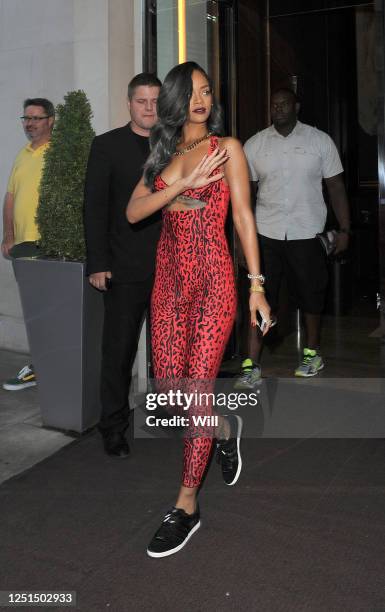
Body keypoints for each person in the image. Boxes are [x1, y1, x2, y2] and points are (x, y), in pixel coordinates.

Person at [127, 62, 272, 558]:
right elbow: (133, 211)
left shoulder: (226, 149)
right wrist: (175, 191)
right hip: (168, 283)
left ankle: (186, 505)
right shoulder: (162, 153)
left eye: (207, 90)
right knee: (172, 389)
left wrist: (255, 285)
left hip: (212, 281)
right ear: (174, 100)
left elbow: (244, 216)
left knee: (195, 393)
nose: (201, 99)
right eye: (190, 93)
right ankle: (227, 428)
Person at [235, 87, 350, 386]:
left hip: (307, 231)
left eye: (285, 104)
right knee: (260, 295)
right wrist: (240, 239)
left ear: (297, 106)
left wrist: (346, 229)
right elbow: (245, 196)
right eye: (274, 105)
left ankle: (312, 353)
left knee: (311, 295)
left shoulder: (319, 140)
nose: (279, 109)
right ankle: (252, 364)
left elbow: (336, 188)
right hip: (266, 233)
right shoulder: (255, 145)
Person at [84, 73, 162, 458]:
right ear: (129, 103)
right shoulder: (107, 146)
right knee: (118, 353)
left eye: (154, 101)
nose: (149, 108)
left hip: (170, 268)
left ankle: (171, 416)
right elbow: (94, 208)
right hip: (123, 268)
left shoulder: (176, 145)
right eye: (141, 101)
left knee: (170, 350)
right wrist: (98, 263)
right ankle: (112, 427)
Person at [2, 98, 55, 391]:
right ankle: (40, 366)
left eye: (36, 118)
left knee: (48, 310)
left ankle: (44, 367)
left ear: (51, 120)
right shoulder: (22, 155)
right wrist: (8, 236)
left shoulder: (58, 153)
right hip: (22, 249)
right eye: (26, 118)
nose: (30, 123)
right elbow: (10, 197)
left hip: (47, 249)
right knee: (34, 309)